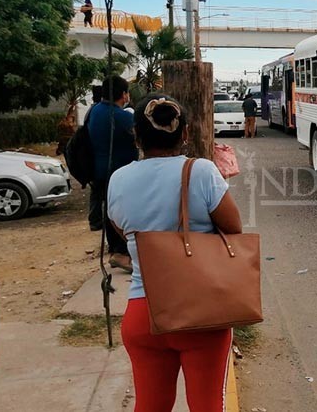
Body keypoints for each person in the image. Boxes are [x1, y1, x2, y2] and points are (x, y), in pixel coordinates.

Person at [107, 94, 242, 412]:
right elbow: (233, 227)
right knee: (207, 405)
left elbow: (121, 230)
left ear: (136, 135)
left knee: (151, 405)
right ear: (185, 133)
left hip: (143, 312)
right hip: (200, 315)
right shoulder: (203, 172)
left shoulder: (118, 179)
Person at [88, 75, 137, 273]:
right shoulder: (123, 117)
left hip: (99, 170)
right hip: (118, 171)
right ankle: (120, 253)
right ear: (123, 94)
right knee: (121, 212)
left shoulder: (95, 111)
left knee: (111, 210)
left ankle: (118, 251)